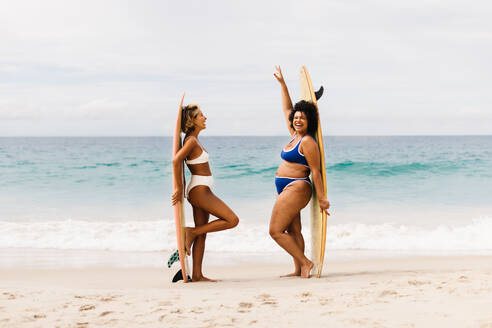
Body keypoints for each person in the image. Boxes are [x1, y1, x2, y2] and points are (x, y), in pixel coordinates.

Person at [270, 66, 330, 278]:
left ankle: (306, 262)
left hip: (297, 188)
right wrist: (283, 85)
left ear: (309, 121)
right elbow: (287, 110)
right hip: (285, 188)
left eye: (302, 118)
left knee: (275, 231)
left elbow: (315, 171)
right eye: (296, 118)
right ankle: (298, 269)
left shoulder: (307, 141)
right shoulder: (294, 135)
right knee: (294, 231)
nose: (297, 120)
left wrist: (322, 198)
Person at [171, 94, 239, 282]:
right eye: (201, 115)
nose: (205, 117)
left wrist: (183, 188)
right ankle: (190, 232)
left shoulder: (194, 140)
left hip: (199, 188)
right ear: (192, 121)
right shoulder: (191, 141)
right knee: (232, 220)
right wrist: (178, 188)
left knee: (203, 231)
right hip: (200, 190)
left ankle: (198, 274)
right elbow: (176, 160)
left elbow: (181, 164)